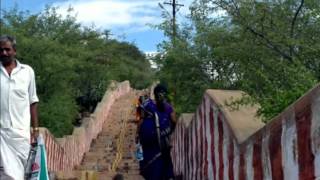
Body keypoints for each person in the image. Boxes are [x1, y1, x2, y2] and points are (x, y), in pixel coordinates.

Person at [0, 35, 39, 179]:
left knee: (20, 174)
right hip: (2, 134)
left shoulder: (27, 72)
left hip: (22, 133)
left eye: (7, 49)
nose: (4, 53)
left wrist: (35, 130)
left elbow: (33, 101)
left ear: (14, 51)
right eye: (1, 50)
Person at [138, 84, 176, 180]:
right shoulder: (168, 107)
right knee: (164, 162)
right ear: (165, 94)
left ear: (154, 94)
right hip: (163, 142)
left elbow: (141, 120)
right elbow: (174, 121)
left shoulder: (146, 104)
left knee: (149, 162)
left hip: (147, 140)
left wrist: (137, 135)